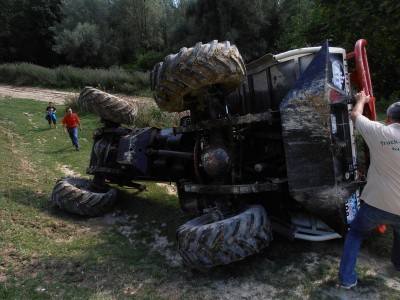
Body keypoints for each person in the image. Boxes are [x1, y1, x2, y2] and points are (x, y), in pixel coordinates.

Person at [338, 90, 400, 289]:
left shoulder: (381, 132)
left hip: (378, 204)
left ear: (389, 118)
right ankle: (398, 264)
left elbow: (355, 116)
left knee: (356, 233)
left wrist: (361, 100)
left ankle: (347, 279)